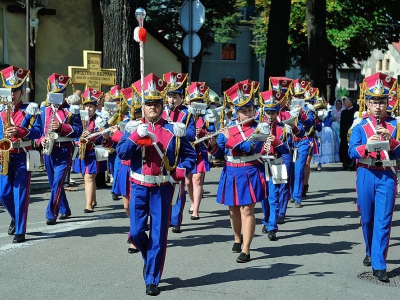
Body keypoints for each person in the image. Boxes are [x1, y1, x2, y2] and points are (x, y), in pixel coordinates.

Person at [118, 73, 196, 296]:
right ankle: (149, 259)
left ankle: (152, 277)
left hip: (162, 187)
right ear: (142, 106)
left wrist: (180, 172)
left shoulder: (174, 130)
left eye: (156, 103)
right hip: (139, 186)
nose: (152, 107)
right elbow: (122, 153)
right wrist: (134, 137)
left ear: (162, 105)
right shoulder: (133, 127)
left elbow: (190, 156)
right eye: (148, 103)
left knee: (159, 236)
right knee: (135, 232)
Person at [348, 72, 400, 283]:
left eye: (382, 102)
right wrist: (367, 145)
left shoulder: (396, 126)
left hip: (387, 174)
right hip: (366, 173)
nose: (378, 106)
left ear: (388, 103)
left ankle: (380, 264)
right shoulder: (360, 126)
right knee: (367, 218)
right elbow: (351, 151)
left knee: (383, 220)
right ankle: (370, 250)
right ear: (367, 103)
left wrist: (392, 141)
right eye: (374, 102)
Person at [208, 80, 265, 263]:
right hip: (231, 171)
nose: (247, 113)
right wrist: (213, 143)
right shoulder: (229, 127)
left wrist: (229, 139)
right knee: (233, 210)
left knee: (247, 210)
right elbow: (218, 154)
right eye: (243, 111)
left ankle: (246, 249)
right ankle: (237, 238)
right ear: (236, 112)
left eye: (250, 109)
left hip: (250, 170)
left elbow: (251, 148)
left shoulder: (260, 127)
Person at [0, 65, 42, 243]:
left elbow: (38, 131)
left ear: (22, 92)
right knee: (3, 194)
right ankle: (16, 218)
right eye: (10, 90)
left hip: (22, 155)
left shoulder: (30, 109)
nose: (13, 94)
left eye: (16, 90)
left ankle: (20, 230)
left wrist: (20, 131)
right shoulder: (1, 110)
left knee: (20, 193)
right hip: (4, 156)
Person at [38, 73, 83, 225]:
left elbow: (78, 130)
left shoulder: (71, 110)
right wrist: (41, 139)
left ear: (65, 94)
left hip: (64, 149)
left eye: (60, 93)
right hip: (49, 150)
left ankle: (51, 213)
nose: (56, 96)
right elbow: (38, 130)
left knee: (58, 182)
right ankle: (64, 208)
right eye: (54, 93)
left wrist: (62, 127)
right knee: (53, 183)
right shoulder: (44, 109)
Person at [162, 71, 196, 233]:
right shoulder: (161, 111)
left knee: (178, 187)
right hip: (163, 153)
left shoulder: (187, 114)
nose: (172, 100)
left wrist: (176, 126)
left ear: (182, 97)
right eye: (170, 96)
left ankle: (176, 220)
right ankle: (165, 217)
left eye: (175, 96)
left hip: (179, 153)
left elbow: (191, 135)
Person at [269, 77, 305, 224]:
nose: (280, 98)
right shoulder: (265, 112)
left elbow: (301, 132)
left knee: (282, 184)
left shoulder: (289, 114)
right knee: (269, 187)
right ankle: (270, 215)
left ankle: (280, 213)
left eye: (283, 95)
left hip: (284, 153)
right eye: (277, 94)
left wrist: (296, 122)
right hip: (266, 155)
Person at [258, 90, 291, 241]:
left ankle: (272, 227)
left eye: (273, 113)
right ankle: (266, 220)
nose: (270, 116)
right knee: (263, 197)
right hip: (262, 164)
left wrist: (276, 142)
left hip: (277, 163)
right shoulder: (259, 127)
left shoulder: (283, 128)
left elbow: (287, 150)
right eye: (268, 113)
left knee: (274, 196)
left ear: (277, 113)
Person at [72, 87, 107, 213]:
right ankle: (93, 199)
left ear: (95, 107)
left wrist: (91, 133)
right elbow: (73, 132)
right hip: (80, 150)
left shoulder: (100, 119)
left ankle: (88, 205)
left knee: (89, 177)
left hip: (92, 151)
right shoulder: (77, 118)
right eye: (86, 105)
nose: (88, 108)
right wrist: (78, 138)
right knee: (85, 177)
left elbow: (103, 135)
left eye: (91, 106)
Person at [186, 81, 215, 220]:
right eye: (194, 100)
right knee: (187, 182)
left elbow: (213, 134)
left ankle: (196, 210)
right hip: (186, 151)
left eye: (199, 100)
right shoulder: (185, 116)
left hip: (200, 150)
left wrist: (203, 132)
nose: (197, 103)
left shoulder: (208, 117)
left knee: (197, 180)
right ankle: (192, 202)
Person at [289, 79, 315, 207]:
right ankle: (290, 193)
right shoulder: (286, 107)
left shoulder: (308, 109)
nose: (297, 98)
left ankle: (297, 196)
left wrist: (302, 114)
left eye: (300, 96)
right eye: (295, 95)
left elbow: (310, 123)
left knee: (299, 168)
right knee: (289, 169)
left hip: (302, 141)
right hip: (289, 142)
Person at [312, 98, 340, 170]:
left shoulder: (327, 110)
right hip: (318, 130)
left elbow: (329, 121)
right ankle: (318, 163)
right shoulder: (315, 111)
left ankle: (321, 163)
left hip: (325, 130)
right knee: (318, 147)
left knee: (322, 147)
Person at [340, 97, 357, 170]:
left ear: (350, 103)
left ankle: (352, 164)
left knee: (352, 147)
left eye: (346, 103)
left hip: (352, 132)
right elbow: (341, 124)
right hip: (344, 133)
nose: (345, 104)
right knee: (344, 149)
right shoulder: (343, 112)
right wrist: (341, 134)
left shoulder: (355, 111)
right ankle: (345, 164)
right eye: (344, 103)